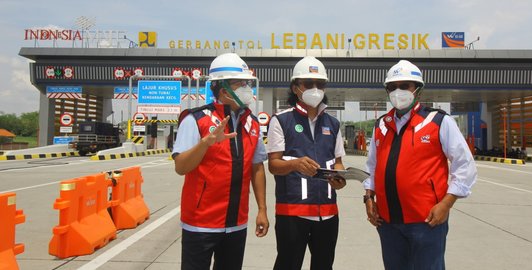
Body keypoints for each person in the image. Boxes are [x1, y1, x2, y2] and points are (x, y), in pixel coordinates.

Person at [363, 60, 477, 270]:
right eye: (392, 87)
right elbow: (372, 167)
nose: (398, 91)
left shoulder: (438, 122)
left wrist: (446, 204)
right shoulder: (381, 125)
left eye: (405, 86)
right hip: (388, 223)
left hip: (426, 222)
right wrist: (369, 198)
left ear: (418, 90)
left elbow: (465, 166)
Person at [172, 53, 269, 270]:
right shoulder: (195, 120)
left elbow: (257, 167)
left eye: (247, 83)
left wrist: (262, 209)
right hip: (200, 224)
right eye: (241, 83)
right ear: (223, 89)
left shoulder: (252, 123)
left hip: (236, 223)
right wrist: (205, 143)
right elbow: (181, 167)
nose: (247, 88)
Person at [267, 56, 347, 270]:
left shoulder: (333, 123)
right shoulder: (281, 120)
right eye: (308, 84)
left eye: (320, 84)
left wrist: (340, 177)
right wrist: (294, 165)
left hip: (328, 213)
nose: (315, 89)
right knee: (287, 265)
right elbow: (273, 165)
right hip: (293, 213)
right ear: (295, 88)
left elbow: (338, 162)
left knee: (324, 266)